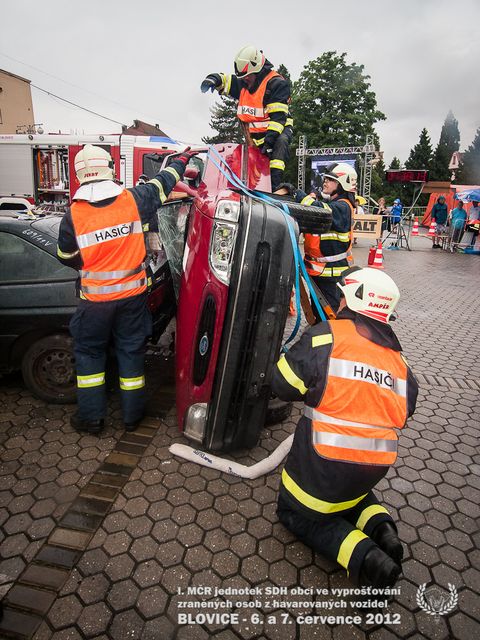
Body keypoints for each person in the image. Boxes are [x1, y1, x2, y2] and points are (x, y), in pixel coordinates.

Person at [272, 266, 418, 588]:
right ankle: (385, 532)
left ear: (352, 300)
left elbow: (281, 385)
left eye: (341, 297)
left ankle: (368, 559)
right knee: (352, 498)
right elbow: (405, 410)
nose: (337, 302)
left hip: (323, 464)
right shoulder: (400, 364)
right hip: (370, 469)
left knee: (296, 512)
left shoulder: (325, 336)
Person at [57, 144, 196, 435]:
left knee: (90, 356)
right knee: (131, 354)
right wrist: (182, 159)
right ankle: (133, 418)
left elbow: (66, 256)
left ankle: (91, 419)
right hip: (132, 300)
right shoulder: (135, 199)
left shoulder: (73, 215)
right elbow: (165, 180)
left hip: (94, 303)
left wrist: (90, 264)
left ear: (80, 174)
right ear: (109, 169)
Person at [200, 44, 293, 191]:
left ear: (258, 70)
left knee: (279, 147)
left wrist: (269, 142)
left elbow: (278, 119)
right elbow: (225, 80)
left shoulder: (276, 85)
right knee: (248, 162)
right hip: (255, 135)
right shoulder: (245, 82)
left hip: (278, 130)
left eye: (247, 76)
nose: (245, 80)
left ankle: (273, 187)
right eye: (242, 77)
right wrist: (212, 79)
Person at [302, 162, 357, 317]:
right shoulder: (334, 204)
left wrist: (299, 195)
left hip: (331, 274)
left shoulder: (343, 207)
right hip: (320, 272)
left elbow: (319, 210)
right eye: (325, 179)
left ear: (343, 184)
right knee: (318, 313)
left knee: (329, 316)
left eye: (330, 179)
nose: (325, 182)